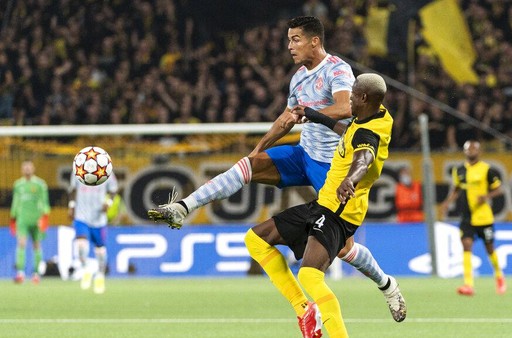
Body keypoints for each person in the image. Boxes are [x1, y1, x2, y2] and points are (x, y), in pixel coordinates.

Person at [148, 16, 404, 321]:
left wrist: (310, 112)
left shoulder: (338, 70)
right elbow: (287, 118)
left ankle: (386, 284)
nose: (289, 46)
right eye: (288, 39)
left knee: (344, 250)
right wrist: (259, 148)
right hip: (303, 154)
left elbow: (346, 108)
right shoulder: (298, 78)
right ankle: (184, 207)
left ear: (314, 41)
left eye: (295, 39)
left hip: (331, 164)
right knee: (249, 165)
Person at [245, 73, 402, 338]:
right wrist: (317, 116)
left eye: (353, 93)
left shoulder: (369, 133)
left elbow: (364, 157)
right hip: (323, 203)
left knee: (309, 276)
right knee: (255, 239)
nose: (348, 96)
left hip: (339, 211)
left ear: (364, 97)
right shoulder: (377, 113)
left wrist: (349, 180)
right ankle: (305, 310)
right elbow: (349, 133)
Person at [440, 140, 506, 296]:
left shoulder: (486, 170)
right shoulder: (459, 170)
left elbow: (499, 190)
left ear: (479, 151)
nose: (471, 151)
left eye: (474, 148)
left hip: (483, 217)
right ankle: (468, 284)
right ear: (464, 151)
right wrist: (447, 202)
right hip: (466, 216)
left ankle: (499, 276)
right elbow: (457, 189)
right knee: (466, 245)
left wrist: (486, 196)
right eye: (468, 149)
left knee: (489, 248)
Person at [68, 173, 118, 294]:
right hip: (81, 216)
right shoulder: (79, 167)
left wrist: (109, 203)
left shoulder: (106, 170)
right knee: (81, 243)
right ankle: (86, 268)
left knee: (100, 249)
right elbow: (72, 189)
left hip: (99, 218)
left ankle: (100, 275)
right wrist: (71, 206)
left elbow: (113, 190)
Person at [10, 160, 50, 284]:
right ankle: (20, 273)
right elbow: (15, 202)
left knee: (36, 244)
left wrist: (44, 217)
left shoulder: (40, 184)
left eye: (29, 167)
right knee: (21, 243)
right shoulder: (17, 185)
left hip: (36, 219)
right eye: (25, 167)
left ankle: (36, 274)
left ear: (33, 169)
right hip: (22, 219)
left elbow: (45, 202)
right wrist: (13, 217)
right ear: (22, 169)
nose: (27, 169)